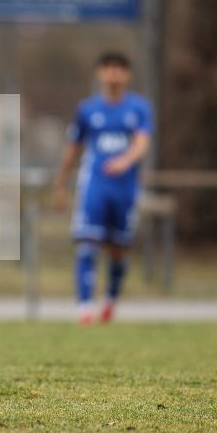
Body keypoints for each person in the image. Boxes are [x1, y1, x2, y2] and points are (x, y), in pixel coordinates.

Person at [53, 52, 153, 324]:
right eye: (108, 69)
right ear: (100, 73)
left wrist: (126, 160)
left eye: (119, 70)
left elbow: (143, 142)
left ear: (127, 75)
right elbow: (73, 148)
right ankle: (85, 308)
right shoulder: (87, 109)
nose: (113, 75)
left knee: (119, 250)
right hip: (94, 186)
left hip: (125, 190)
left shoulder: (139, 107)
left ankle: (110, 299)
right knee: (87, 244)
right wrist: (61, 184)